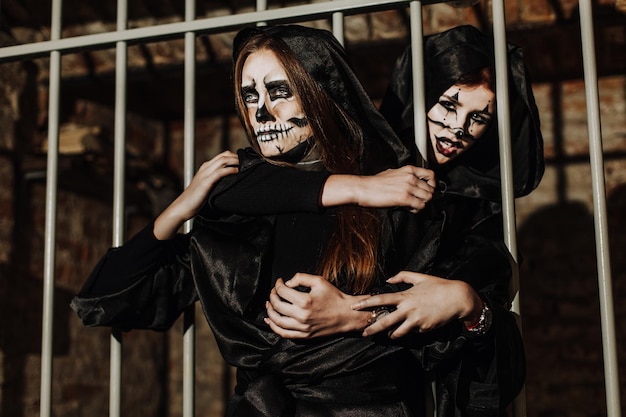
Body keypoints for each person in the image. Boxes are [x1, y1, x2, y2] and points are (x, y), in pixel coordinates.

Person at [72, 25, 439, 416]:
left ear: (320, 93)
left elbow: (437, 321)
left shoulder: (388, 195)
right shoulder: (237, 218)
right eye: (250, 96)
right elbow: (105, 297)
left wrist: (353, 314)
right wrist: (180, 207)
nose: (261, 112)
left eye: (279, 92)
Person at [260, 25, 544, 416]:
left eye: (478, 117)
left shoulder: (478, 212)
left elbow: (488, 352)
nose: (459, 128)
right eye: (448, 105)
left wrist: (467, 303)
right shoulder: (354, 161)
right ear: (419, 94)